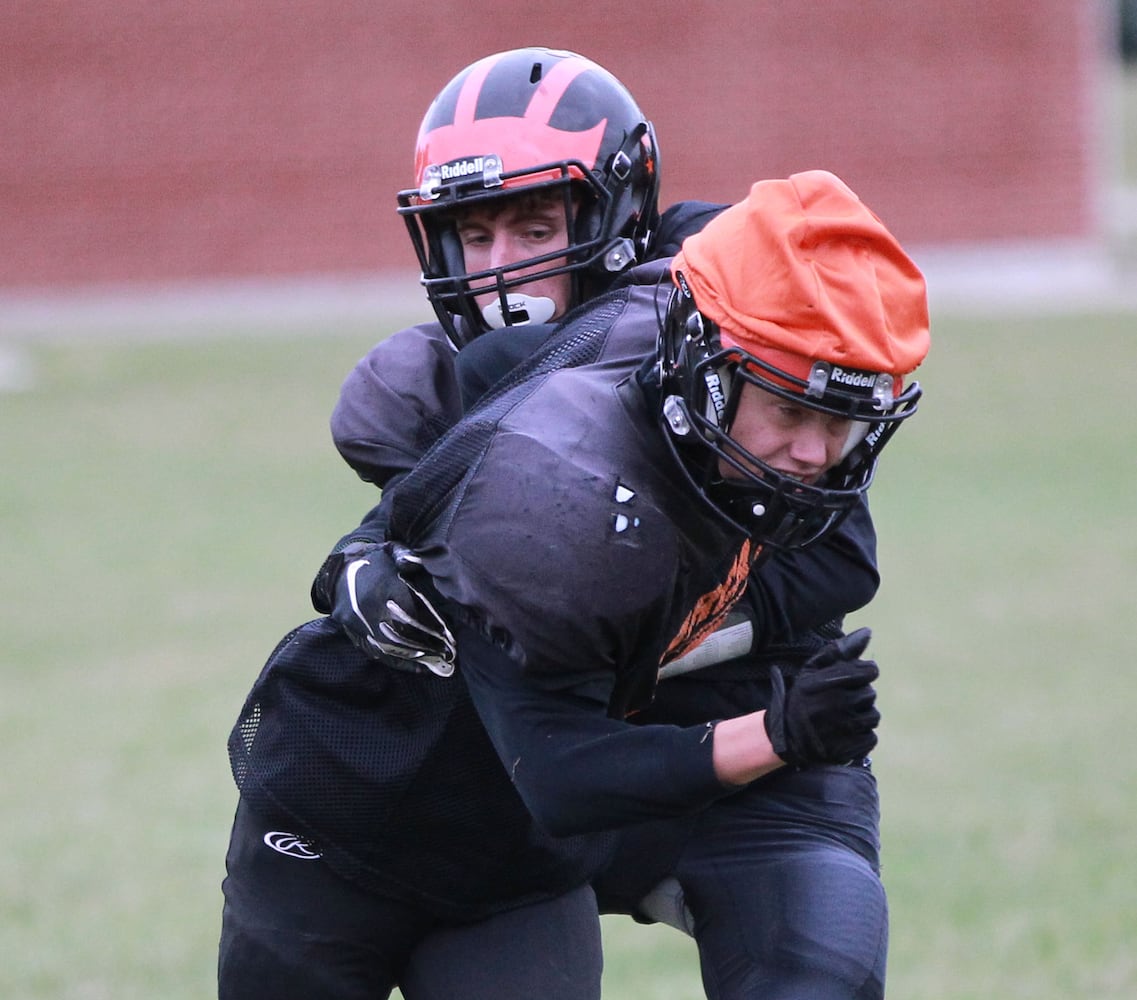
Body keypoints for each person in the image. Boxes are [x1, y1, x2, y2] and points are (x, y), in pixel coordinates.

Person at [219, 166, 929, 1000]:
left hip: (520, 859)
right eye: (789, 412)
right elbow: (562, 770)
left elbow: (844, 557)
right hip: (351, 812)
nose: (814, 454)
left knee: (822, 966)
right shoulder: (557, 483)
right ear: (705, 366)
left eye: (840, 421)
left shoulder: (732, 307)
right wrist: (775, 733)